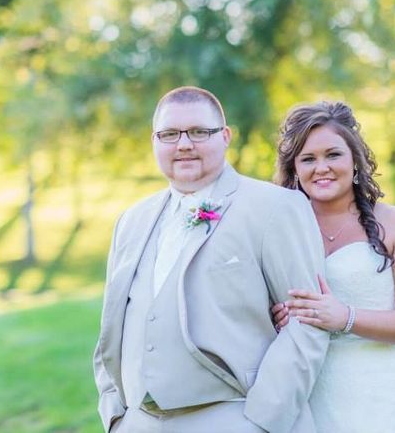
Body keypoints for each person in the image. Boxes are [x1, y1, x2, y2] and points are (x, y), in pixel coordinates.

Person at [93, 86, 330, 433]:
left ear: (225, 136)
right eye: (170, 134)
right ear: (154, 141)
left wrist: (263, 420)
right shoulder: (131, 220)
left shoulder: (275, 208)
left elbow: (308, 321)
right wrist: (115, 414)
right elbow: (111, 323)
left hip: (236, 416)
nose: (184, 144)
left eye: (199, 132)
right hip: (137, 422)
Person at [271, 101, 395, 433]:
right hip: (306, 389)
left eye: (333, 154)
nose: (321, 168)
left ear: (354, 160)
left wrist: (345, 317)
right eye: (308, 159)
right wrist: (276, 319)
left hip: (381, 390)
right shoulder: (278, 230)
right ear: (294, 170)